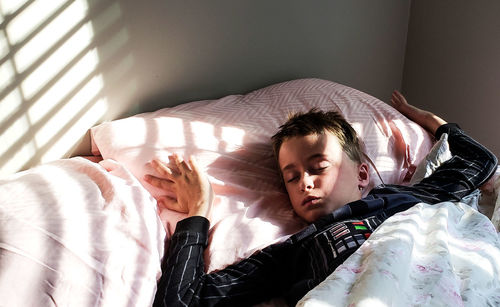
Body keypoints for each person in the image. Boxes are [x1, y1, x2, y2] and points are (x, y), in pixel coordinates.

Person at [145, 91, 497, 306]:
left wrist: (432, 123)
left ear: (362, 175)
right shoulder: (294, 252)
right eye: (292, 177)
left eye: (319, 167)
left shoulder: (408, 197)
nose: (304, 184)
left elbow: (479, 161)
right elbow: (183, 300)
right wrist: (199, 212)